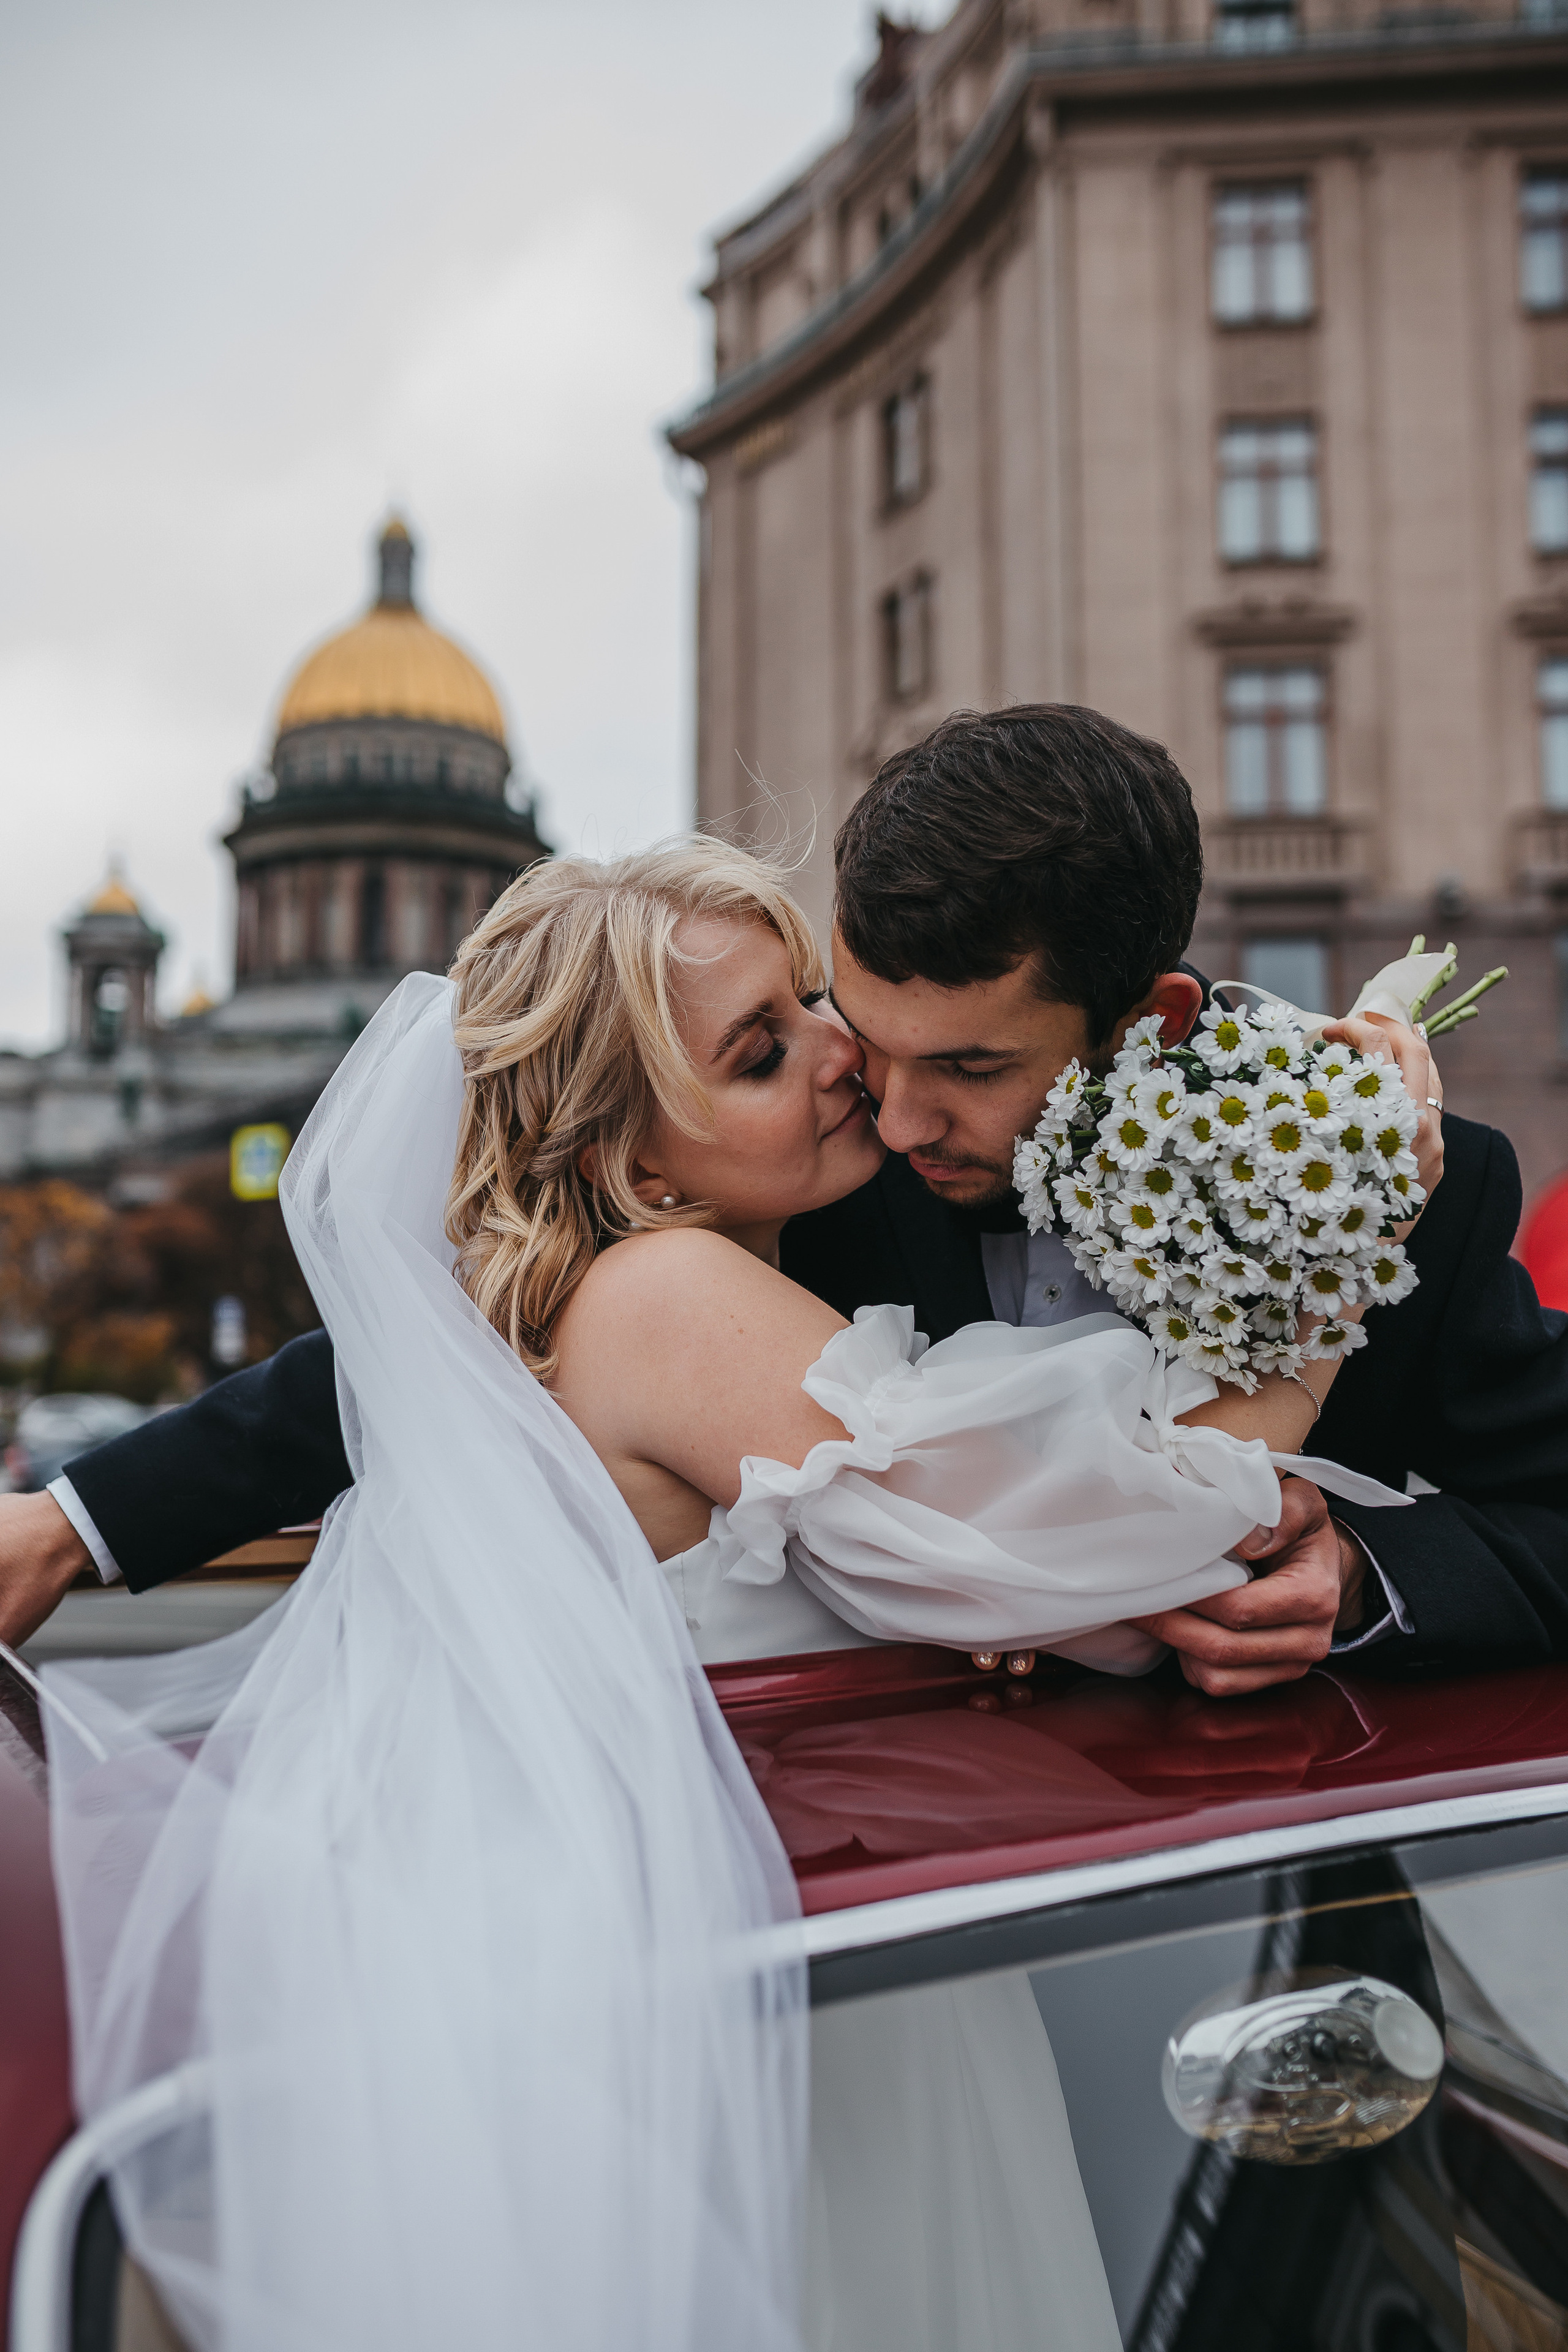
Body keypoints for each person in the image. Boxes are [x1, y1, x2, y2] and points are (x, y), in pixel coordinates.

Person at [34, 839, 1420, 2352]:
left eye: (810, 1002)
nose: (851, 1063)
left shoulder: (590, 1300)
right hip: (783, 2019)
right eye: (764, 1051)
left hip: (779, 1972)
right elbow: (1118, 1517)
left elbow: (983, 1555)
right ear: (634, 1165)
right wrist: (1354, 1204)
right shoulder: (658, 1300)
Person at [0, 703, 1521, 1686]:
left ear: (1149, 1026)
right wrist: (71, 1523)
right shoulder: (730, 1239)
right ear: (632, 1150)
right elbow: (396, 1363)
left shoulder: (1415, 1200)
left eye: (966, 1065)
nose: (876, 1088)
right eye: (810, 1028)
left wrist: (1368, 1574)